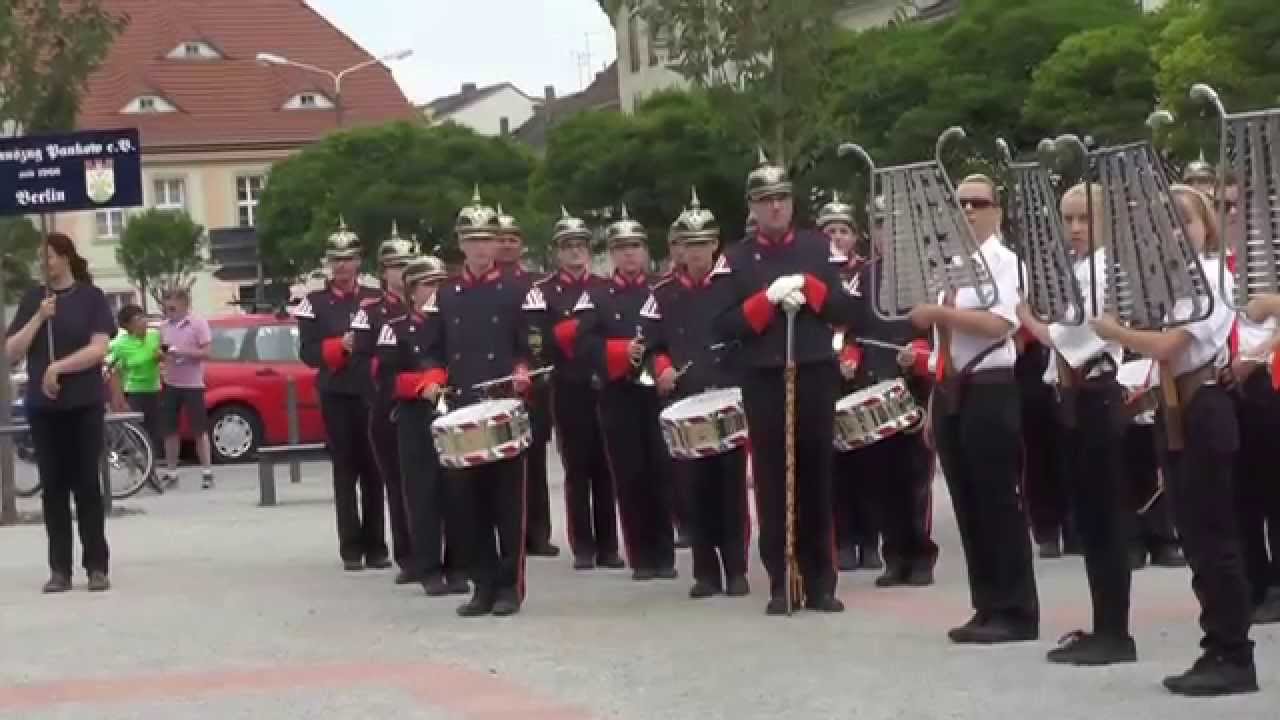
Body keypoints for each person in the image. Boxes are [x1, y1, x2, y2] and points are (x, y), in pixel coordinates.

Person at [1093, 184, 1257, 695]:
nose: (1174, 231)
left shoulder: (1210, 278)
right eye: (1165, 222)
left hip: (1204, 406)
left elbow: (1168, 345)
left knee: (1214, 537)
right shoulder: (1169, 282)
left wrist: (1115, 331)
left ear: (1205, 227)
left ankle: (1234, 654)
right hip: (1176, 408)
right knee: (1195, 536)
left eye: (1184, 220)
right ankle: (1216, 645)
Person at [712, 151, 857, 615]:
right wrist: (765, 303)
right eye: (765, 200)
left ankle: (821, 579)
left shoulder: (819, 248)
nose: (775, 207)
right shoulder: (734, 258)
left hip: (813, 369)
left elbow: (846, 310)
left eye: (781, 198)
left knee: (817, 475)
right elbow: (721, 324)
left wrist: (814, 292)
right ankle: (782, 577)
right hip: (764, 376)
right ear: (752, 207)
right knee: (774, 480)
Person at [911, 174, 1039, 643]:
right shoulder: (950, 266)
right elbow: (944, 340)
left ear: (996, 210)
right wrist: (933, 399)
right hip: (952, 386)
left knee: (998, 500)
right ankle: (986, 604)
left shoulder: (1005, 263)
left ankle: (1016, 608)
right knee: (966, 501)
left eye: (978, 203)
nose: (968, 211)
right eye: (960, 204)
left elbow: (998, 324)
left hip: (990, 384)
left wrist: (939, 315)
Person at [1016, 183, 1135, 665]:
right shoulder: (1078, 269)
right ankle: (1104, 623)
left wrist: (1027, 317)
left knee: (1105, 519)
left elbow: (1069, 334)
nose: (1075, 228)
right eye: (1068, 219)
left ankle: (1116, 631)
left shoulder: (1109, 270)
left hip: (1097, 390)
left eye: (1084, 218)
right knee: (1089, 518)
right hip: (1071, 393)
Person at [420, 189, 533, 617]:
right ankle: (481, 584)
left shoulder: (517, 289)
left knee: (508, 504)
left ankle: (510, 587)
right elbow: (430, 350)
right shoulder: (445, 296)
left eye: (488, 239)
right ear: (461, 244)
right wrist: (432, 379)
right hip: (464, 405)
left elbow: (532, 344)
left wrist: (523, 368)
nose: (482, 247)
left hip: (504, 403)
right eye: (473, 239)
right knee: (468, 506)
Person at [645, 191, 750, 598]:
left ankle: (737, 569)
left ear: (715, 244)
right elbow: (651, 345)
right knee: (693, 489)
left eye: (703, 243)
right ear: (678, 248)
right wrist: (662, 369)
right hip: (686, 401)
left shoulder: (735, 285)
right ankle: (705, 571)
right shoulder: (664, 293)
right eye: (688, 245)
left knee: (731, 489)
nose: (696, 252)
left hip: (728, 395)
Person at [832, 195, 938, 587]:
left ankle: (920, 554)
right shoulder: (865, 277)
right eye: (878, 226)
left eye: (892, 227)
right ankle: (894, 556)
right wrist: (850, 357)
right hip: (876, 382)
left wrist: (921, 353)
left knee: (915, 477)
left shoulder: (927, 274)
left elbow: (938, 334)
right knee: (881, 476)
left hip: (915, 383)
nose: (884, 235)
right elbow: (852, 332)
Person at [5, 233, 116, 592]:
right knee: (53, 488)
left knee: (86, 484)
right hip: (45, 409)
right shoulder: (34, 299)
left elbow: (99, 348)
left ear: (66, 257)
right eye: (42, 258)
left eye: (50, 257)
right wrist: (39, 317)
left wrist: (59, 368)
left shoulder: (91, 297)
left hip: (83, 403)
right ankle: (59, 569)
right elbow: (10, 352)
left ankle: (96, 565)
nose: (45, 263)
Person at [575, 206, 677, 582]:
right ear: (612, 254)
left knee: (662, 474)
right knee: (630, 475)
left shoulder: (661, 291)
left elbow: (676, 336)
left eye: (635, 246)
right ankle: (641, 556)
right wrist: (619, 352)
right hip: (618, 393)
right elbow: (582, 344)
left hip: (658, 393)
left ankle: (665, 554)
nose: (629, 254)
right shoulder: (596, 295)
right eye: (621, 247)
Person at [522, 208, 623, 571]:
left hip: (606, 383)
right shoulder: (544, 292)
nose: (576, 252)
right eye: (568, 246)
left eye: (581, 245)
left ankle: (609, 545)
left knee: (607, 467)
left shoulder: (604, 288)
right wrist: (560, 336)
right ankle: (583, 544)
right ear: (556, 252)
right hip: (568, 385)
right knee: (577, 467)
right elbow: (536, 341)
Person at [294, 219, 387, 573]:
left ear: (359, 261)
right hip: (336, 393)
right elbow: (308, 352)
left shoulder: (373, 299)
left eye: (348, 259)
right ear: (328, 263)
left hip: (370, 391)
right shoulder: (314, 303)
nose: (343, 266)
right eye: (337, 259)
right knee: (345, 471)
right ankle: (351, 547)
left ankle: (377, 545)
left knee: (375, 469)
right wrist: (341, 346)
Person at [380, 255, 470, 597]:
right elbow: (385, 377)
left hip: (453, 415)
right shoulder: (397, 328)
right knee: (423, 494)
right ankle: (428, 567)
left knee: (458, 492)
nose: (435, 291)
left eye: (440, 283)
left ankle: (459, 565)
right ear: (411, 291)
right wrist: (421, 385)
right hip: (416, 418)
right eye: (428, 284)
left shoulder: (454, 324)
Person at [1221, 178, 1280, 625]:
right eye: (1222, 208)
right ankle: (1253, 582)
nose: (1232, 216)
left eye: (1238, 207)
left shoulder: (1270, 261)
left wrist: (1258, 356)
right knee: (1240, 493)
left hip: (1267, 380)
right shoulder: (1218, 264)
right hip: (1226, 382)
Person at [820, 193, 883, 573]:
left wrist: (852, 355)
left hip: (860, 374)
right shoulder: (816, 271)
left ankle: (870, 540)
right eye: (830, 231)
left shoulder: (868, 273)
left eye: (844, 230)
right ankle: (842, 540)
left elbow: (868, 324)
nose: (838, 237)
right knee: (834, 463)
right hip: (824, 376)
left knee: (867, 461)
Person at [352, 222, 417, 583]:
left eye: (408, 265)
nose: (402, 272)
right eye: (396, 265)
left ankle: (435, 551)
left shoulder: (428, 305)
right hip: (386, 406)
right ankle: (407, 555)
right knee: (396, 481)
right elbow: (358, 361)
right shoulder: (370, 313)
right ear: (383, 272)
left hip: (423, 404)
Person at [497, 205, 559, 558]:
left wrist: (534, 370)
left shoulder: (533, 285)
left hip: (533, 384)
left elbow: (543, 334)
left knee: (534, 463)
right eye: (500, 239)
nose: (506, 245)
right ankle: (509, 535)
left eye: (512, 239)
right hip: (497, 384)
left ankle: (538, 533)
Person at [157, 288, 214, 489]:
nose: (168, 309)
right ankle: (172, 473)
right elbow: (161, 351)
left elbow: (207, 352)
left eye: (172, 305)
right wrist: (162, 357)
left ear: (183, 303)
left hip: (193, 384)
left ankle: (207, 472)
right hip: (171, 383)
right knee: (170, 430)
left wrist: (183, 352)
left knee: (199, 430)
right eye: (166, 305)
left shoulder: (198, 323)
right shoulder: (164, 326)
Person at [107, 305, 163, 470]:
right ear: (128, 326)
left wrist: (161, 358)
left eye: (143, 317)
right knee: (138, 435)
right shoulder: (120, 344)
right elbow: (108, 364)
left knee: (154, 434)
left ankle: (151, 471)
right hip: (134, 392)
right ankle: (138, 469)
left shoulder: (155, 336)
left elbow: (163, 356)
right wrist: (117, 396)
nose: (143, 322)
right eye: (138, 320)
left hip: (154, 390)